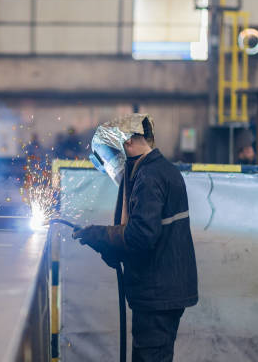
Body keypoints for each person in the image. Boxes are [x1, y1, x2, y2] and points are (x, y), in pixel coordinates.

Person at [73, 113, 198, 362]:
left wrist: (100, 235)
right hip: (159, 291)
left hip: (158, 294)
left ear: (127, 142)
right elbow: (147, 234)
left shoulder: (149, 177)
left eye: (109, 154)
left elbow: (141, 235)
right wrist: (111, 248)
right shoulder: (157, 170)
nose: (110, 163)